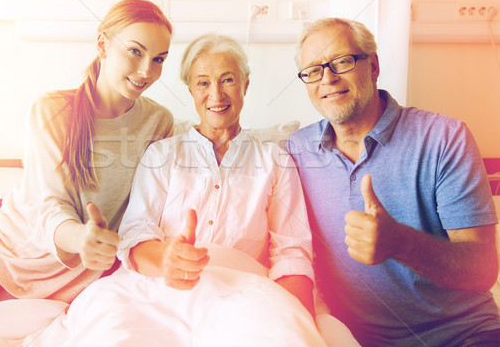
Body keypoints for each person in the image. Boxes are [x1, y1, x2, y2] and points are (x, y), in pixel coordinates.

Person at [23, 33, 325, 347]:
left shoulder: (275, 160)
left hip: (242, 292)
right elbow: (136, 233)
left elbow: (293, 253)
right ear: (191, 91)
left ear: (245, 86)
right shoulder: (161, 154)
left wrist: (296, 319)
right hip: (154, 290)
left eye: (228, 80)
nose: (216, 94)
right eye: (203, 83)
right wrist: (166, 257)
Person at [0, 0, 174, 332]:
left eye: (159, 59)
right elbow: (48, 203)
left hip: (78, 278)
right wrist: (81, 238)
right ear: (103, 44)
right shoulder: (52, 109)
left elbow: (147, 209)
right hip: (1, 251)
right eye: (135, 51)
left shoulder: (158, 121)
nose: (147, 71)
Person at [286, 17, 500, 347]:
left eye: (342, 62)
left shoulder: (444, 139)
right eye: (313, 70)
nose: (328, 79)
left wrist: (401, 243)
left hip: (461, 336)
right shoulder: (296, 150)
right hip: (359, 340)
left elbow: (483, 270)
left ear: (373, 66)